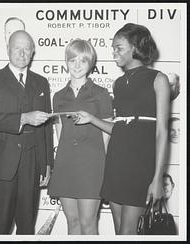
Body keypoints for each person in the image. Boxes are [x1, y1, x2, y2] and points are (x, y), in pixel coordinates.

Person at [73, 23, 170, 234]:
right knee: (119, 232)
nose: (113, 52)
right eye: (113, 47)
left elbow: (161, 131)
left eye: (119, 47)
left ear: (135, 48)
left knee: (129, 232)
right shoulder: (118, 83)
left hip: (141, 165)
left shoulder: (158, 79)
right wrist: (91, 119)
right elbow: (120, 128)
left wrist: (157, 178)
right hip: (116, 162)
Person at [0, 30, 53, 234]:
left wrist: (47, 163)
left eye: (26, 48)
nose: (22, 53)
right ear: (8, 49)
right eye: (17, 48)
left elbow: (46, 127)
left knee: (27, 226)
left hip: (32, 163)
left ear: (33, 52)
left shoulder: (41, 82)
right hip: (3, 164)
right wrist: (24, 118)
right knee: (1, 227)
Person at [48, 39, 113, 234]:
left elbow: (107, 133)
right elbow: (60, 134)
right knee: (72, 222)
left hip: (92, 165)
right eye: (72, 60)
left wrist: (103, 166)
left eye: (82, 61)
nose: (77, 65)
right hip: (66, 164)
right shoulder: (58, 96)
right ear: (66, 62)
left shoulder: (101, 94)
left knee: (88, 223)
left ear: (90, 64)